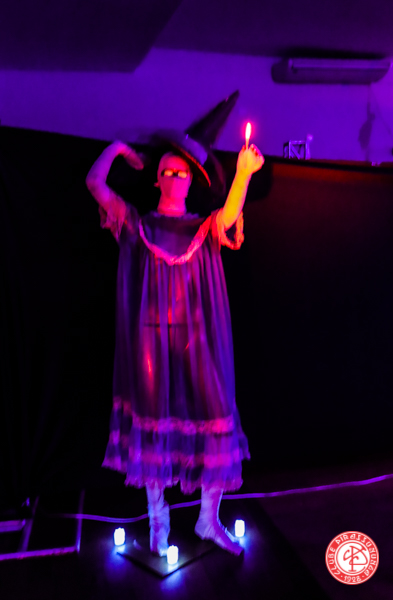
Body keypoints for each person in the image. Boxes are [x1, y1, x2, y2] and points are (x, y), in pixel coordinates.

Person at [86, 136, 264, 557]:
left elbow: (229, 215)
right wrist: (118, 149)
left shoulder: (201, 229)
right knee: (153, 424)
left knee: (216, 415)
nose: (174, 177)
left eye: (181, 172)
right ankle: (157, 519)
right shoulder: (138, 224)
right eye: (166, 171)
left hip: (198, 341)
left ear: (190, 181)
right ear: (156, 181)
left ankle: (208, 519)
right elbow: (94, 184)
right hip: (151, 341)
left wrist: (242, 173)